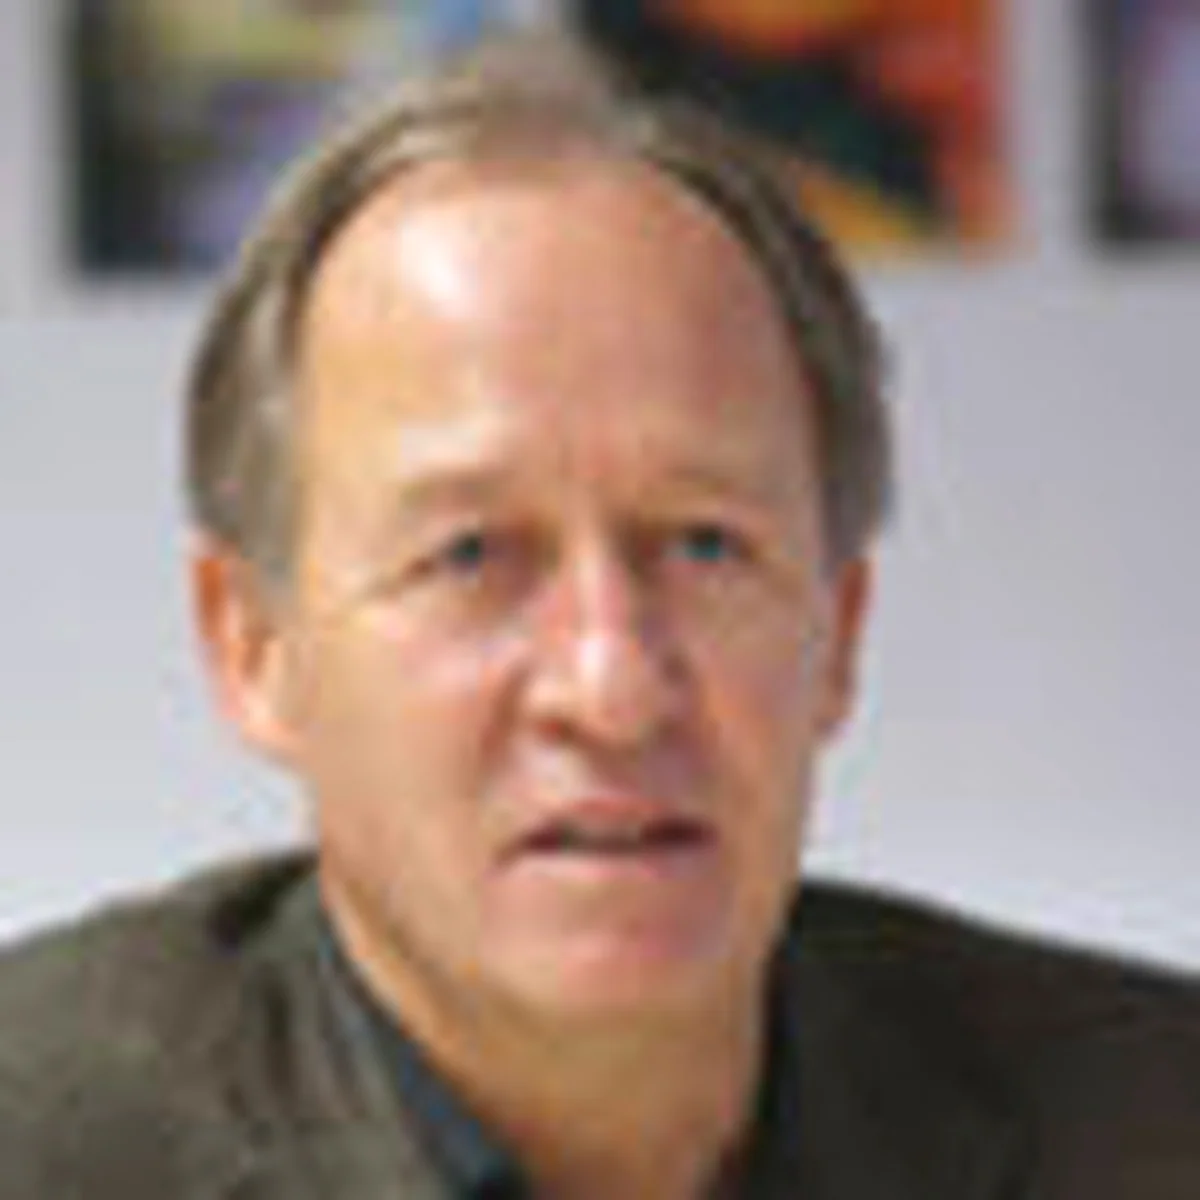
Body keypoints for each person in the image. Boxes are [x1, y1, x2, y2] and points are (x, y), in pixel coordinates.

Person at [1, 33, 1196, 1200]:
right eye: (470, 554)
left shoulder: (1154, 1123)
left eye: (706, 545)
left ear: (839, 629)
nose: (611, 685)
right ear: (253, 648)